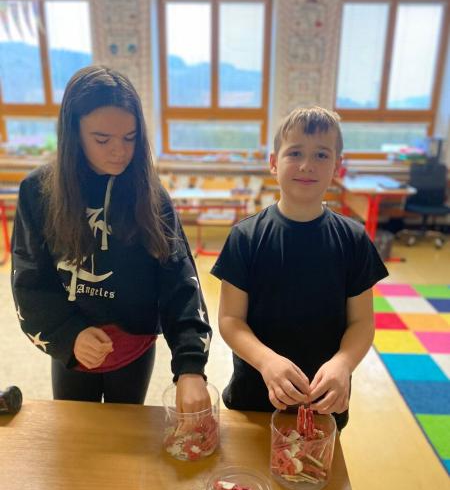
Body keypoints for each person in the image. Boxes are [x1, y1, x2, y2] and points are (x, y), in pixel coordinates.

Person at [11, 65, 212, 412]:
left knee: (126, 428)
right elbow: (30, 282)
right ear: (74, 132)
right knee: (77, 431)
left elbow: (180, 283)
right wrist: (69, 335)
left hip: (134, 346)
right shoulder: (37, 192)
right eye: (102, 140)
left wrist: (191, 367)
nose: (119, 151)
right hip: (72, 344)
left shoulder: (153, 197)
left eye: (130, 138)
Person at [211, 106, 388, 430]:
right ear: (273, 162)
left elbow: (362, 322)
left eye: (321, 155)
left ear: (337, 166)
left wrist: (343, 363)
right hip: (254, 398)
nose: (307, 165)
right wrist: (266, 361)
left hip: (324, 401)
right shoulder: (245, 237)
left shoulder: (354, 239)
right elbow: (230, 320)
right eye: (295, 153)